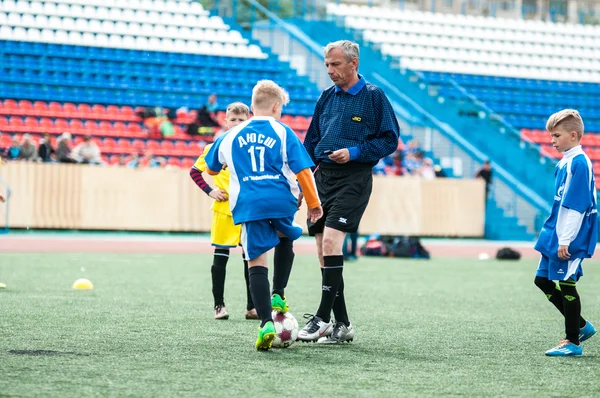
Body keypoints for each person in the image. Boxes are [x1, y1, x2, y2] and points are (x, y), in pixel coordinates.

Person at [204, 80, 323, 350]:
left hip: (248, 202)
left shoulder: (231, 135)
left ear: (252, 105)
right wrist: (314, 203)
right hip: (281, 198)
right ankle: (278, 293)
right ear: (276, 106)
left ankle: (265, 322)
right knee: (284, 237)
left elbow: (211, 168)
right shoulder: (283, 131)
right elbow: (303, 170)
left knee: (255, 261)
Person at [300, 40, 400, 344]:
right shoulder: (325, 97)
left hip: (354, 178)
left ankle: (321, 318)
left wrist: (355, 152)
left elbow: (390, 140)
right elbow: (310, 141)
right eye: (327, 64)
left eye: (336, 64)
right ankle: (342, 324)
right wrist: (302, 183)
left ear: (353, 64)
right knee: (322, 250)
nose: (330, 70)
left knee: (331, 241)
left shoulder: (373, 96)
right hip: (322, 179)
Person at [534, 109, 597, 357]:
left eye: (556, 135)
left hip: (569, 234)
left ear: (573, 135)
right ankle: (581, 325)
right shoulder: (565, 162)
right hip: (555, 230)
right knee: (542, 280)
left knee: (567, 283)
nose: (552, 141)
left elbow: (577, 206)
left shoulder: (579, 163)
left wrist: (566, 239)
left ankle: (573, 341)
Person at [189, 102, 259, 320]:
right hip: (224, 210)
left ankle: (252, 307)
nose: (237, 123)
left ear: (249, 121)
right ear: (225, 121)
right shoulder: (215, 147)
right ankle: (219, 305)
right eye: (233, 120)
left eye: (241, 120)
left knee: (251, 259)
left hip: (248, 210)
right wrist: (210, 191)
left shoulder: (252, 149)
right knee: (221, 257)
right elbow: (195, 172)